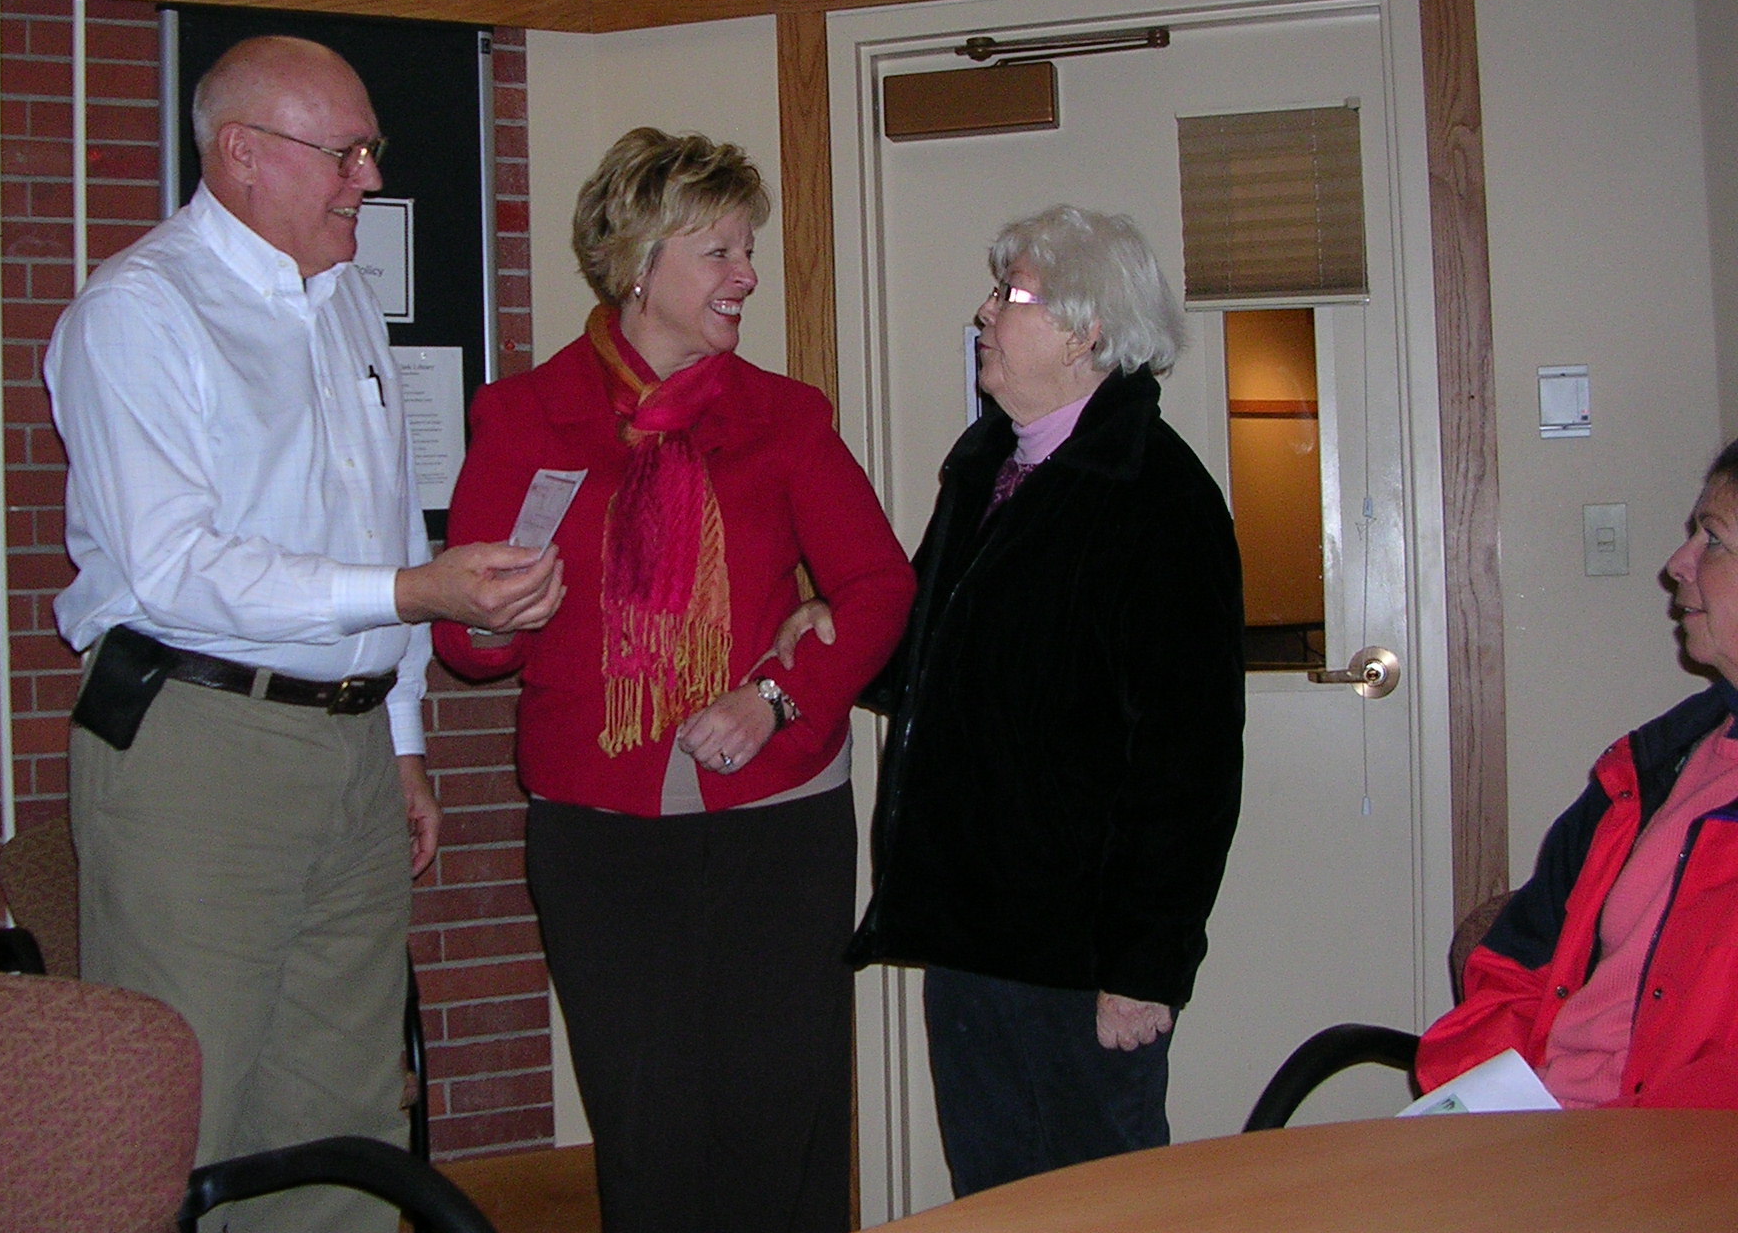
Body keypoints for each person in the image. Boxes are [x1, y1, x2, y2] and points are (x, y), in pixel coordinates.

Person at [44, 35, 563, 1233]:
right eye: (344, 153)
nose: (368, 178)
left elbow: (380, 518)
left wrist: (400, 741)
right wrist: (413, 594)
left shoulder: (342, 300)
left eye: (368, 150)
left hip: (347, 749)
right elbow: (175, 568)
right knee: (177, 1113)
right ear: (241, 154)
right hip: (199, 742)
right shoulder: (139, 311)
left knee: (344, 1119)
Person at [433, 127, 915, 1233]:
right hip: (602, 834)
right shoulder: (526, 415)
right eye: (719, 252)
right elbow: (469, 648)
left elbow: (880, 586)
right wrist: (496, 622)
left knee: (779, 1121)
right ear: (640, 262)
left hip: (777, 822)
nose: (746, 276)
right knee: (646, 1128)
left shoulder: (784, 417)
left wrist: (776, 695)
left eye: (747, 250)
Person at [846, 204, 1244, 1193]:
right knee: (992, 1198)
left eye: (1008, 294)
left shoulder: (1159, 498)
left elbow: (1189, 765)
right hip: (971, 935)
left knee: (1099, 1205)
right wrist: (830, 629)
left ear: (1085, 328)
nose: (983, 313)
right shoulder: (988, 466)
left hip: (1078, 959)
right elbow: (929, 658)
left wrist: (1144, 969)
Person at [1415, 440, 1738, 1110]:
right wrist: (1478, 1111)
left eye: (1713, 539)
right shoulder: (1655, 766)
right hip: (1550, 1135)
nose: (1677, 564)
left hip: (1660, 1159)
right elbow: (1513, 966)